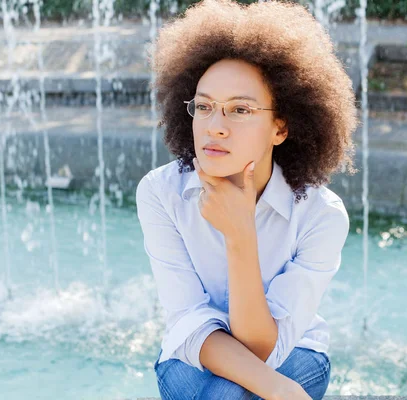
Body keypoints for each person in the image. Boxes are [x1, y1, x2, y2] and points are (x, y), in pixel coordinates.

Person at [136, 0, 358, 398]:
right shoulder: (160, 193)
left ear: (281, 127)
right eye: (203, 107)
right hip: (194, 353)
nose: (214, 127)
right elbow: (190, 321)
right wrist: (280, 391)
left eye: (239, 109)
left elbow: (263, 346)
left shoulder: (321, 216)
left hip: (296, 353)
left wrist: (240, 234)